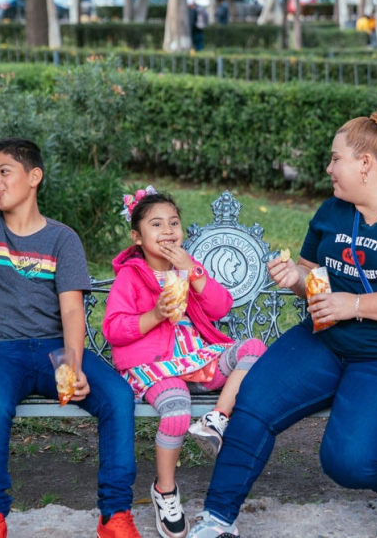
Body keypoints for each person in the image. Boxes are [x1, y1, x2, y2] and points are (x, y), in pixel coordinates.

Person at [188, 106, 377, 538]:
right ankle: (218, 519)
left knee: (350, 459)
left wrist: (353, 305)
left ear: (365, 164)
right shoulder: (334, 211)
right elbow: (314, 277)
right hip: (329, 340)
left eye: (336, 158)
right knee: (253, 400)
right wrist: (297, 278)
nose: (329, 167)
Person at [0, 138, 141, 538]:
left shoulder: (61, 239)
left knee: (118, 398)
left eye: (4, 172)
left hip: (53, 351)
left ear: (34, 177)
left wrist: (74, 363)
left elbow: (71, 309)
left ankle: (114, 515)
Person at [103, 187, 266, 538]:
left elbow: (221, 308)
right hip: (155, 364)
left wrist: (193, 271)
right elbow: (114, 329)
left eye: (173, 223)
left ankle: (216, 419)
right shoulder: (131, 276)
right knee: (176, 409)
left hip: (196, 358)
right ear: (137, 236)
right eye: (156, 224)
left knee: (253, 348)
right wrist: (154, 315)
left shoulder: (188, 267)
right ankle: (165, 491)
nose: (167, 231)